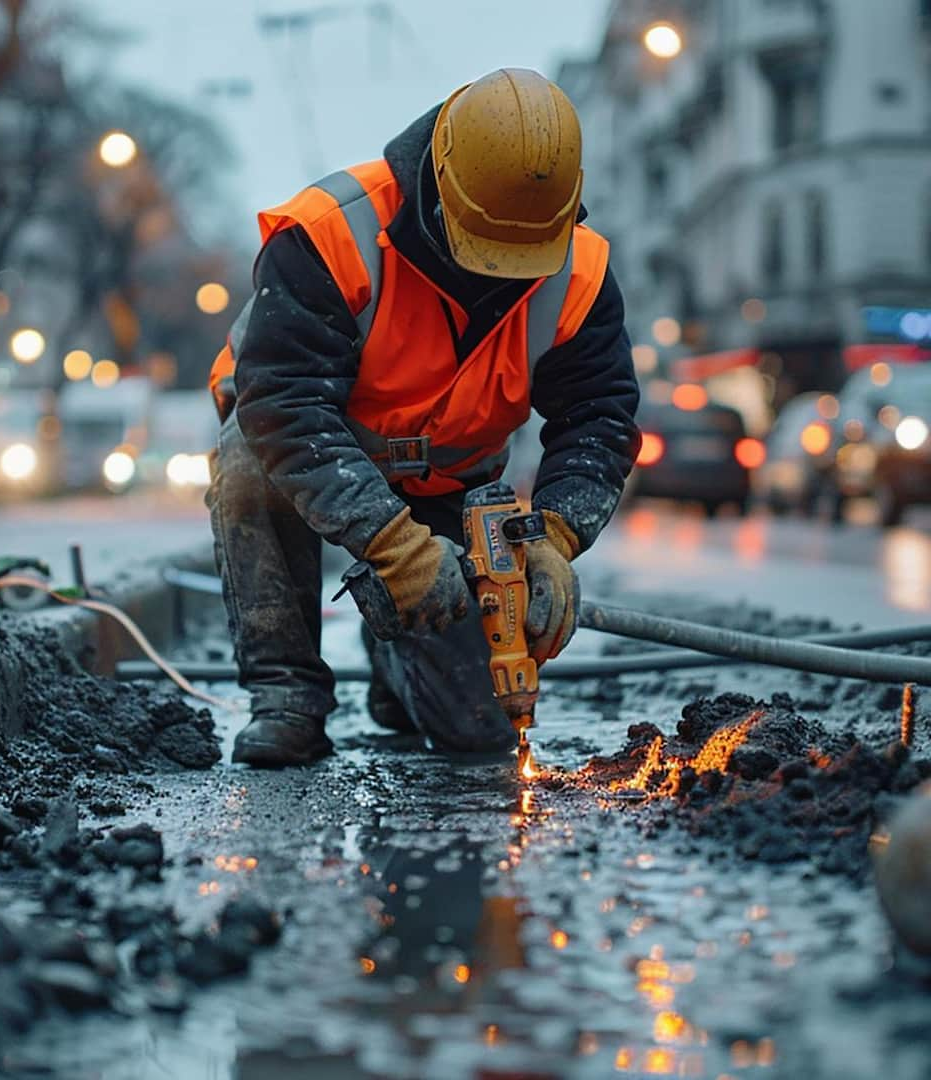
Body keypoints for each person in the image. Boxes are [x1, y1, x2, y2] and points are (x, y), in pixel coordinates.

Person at [206, 68, 640, 767]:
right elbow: (284, 403)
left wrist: (553, 535)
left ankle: (395, 670)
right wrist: (394, 548)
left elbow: (598, 415)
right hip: (310, 457)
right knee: (247, 463)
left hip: (451, 484)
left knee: (477, 731)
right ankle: (286, 695)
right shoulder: (328, 233)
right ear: (439, 188)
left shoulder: (578, 270)